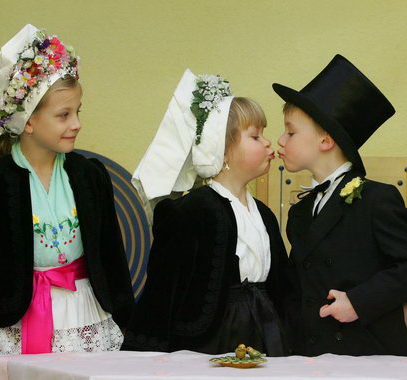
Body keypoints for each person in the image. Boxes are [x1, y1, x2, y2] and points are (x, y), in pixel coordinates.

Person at [0, 24, 134, 356]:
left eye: (77, 112)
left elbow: (111, 254)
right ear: (28, 121)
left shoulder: (90, 175)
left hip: (85, 310)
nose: (76, 124)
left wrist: (128, 321)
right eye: (63, 115)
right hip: (19, 316)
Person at [123, 70, 290, 356]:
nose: (267, 142)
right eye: (255, 136)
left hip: (265, 331)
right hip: (214, 339)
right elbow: (165, 286)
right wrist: (148, 352)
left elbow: (282, 285)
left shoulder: (264, 214)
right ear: (222, 151)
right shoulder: (193, 211)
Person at [273, 54, 407, 356]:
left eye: (290, 132)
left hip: (369, 351)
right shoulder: (300, 212)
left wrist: (359, 301)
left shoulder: (376, 199)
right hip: (312, 354)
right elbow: (298, 287)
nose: (280, 140)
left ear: (325, 141)